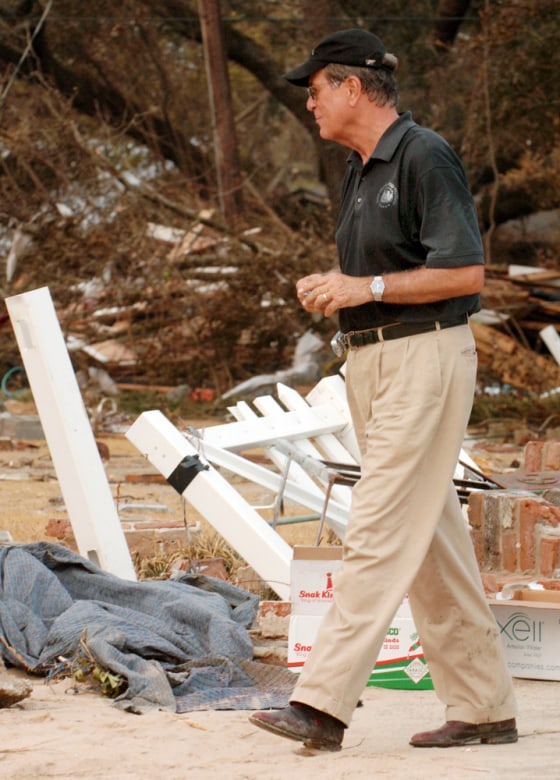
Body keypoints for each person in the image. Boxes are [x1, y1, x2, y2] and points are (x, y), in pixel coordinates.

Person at [249, 28, 517, 752]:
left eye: (316, 90)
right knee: (429, 539)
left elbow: (465, 274)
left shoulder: (424, 156)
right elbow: (379, 277)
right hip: (371, 362)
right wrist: (342, 294)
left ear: (353, 88)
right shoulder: (361, 171)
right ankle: (485, 704)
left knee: (375, 527)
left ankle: (322, 705)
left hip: (424, 362)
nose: (309, 104)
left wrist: (360, 285)